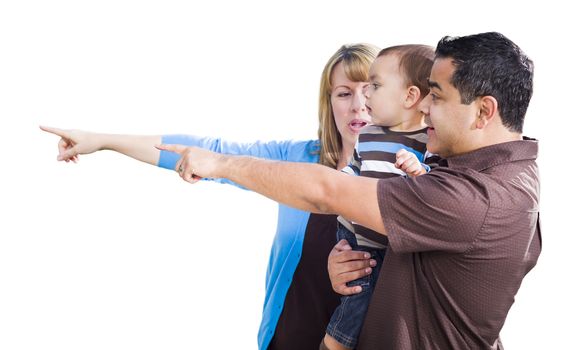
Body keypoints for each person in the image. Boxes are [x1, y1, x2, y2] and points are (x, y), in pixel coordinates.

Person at [157, 32, 541, 349]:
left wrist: (220, 164)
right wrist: (345, 261)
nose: (424, 106)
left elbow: (327, 191)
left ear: (483, 111)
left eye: (436, 96)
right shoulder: (483, 166)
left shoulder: (476, 198)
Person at [40, 43, 379, 350]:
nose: (358, 105)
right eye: (344, 93)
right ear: (328, 103)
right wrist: (101, 140)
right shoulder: (298, 158)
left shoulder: (406, 172)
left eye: (370, 90)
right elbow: (210, 152)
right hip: (287, 338)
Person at [323, 44, 437, 350]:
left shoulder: (429, 140)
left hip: (392, 241)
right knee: (358, 295)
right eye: (345, 93)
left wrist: (419, 169)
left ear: (410, 97)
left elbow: (435, 185)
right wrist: (337, 186)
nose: (365, 99)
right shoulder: (370, 135)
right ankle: (333, 344)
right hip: (356, 234)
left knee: (377, 298)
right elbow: (353, 170)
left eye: (373, 86)